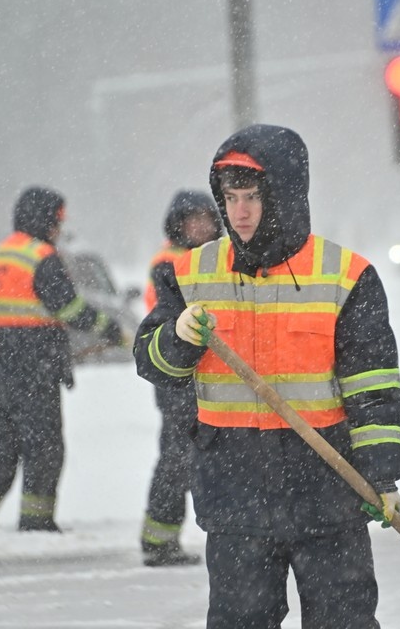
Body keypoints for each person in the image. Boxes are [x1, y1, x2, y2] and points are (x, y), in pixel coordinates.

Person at [134, 124, 400, 627]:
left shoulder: (346, 277)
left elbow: (373, 391)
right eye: (231, 197)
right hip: (237, 501)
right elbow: (153, 364)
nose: (239, 213)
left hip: (328, 492)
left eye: (253, 197)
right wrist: (177, 335)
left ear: (283, 194)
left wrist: (382, 474)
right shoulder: (192, 274)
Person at [0, 186, 123, 534]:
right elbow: (69, 307)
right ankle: (36, 522)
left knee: (2, 445)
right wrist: (107, 327)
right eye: (57, 219)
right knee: (44, 446)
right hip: (33, 368)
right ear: (45, 219)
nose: (58, 228)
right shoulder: (40, 257)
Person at [139, 190, 223, 567]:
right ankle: (159, 539)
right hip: (177, 373)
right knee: (177, 457)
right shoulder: (171, 263)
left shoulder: (207, 258)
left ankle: (165, 536)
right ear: (178, 225)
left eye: (207, 219)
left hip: (201, 370)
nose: (201, 227)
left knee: (190, 456)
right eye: (193, 220)